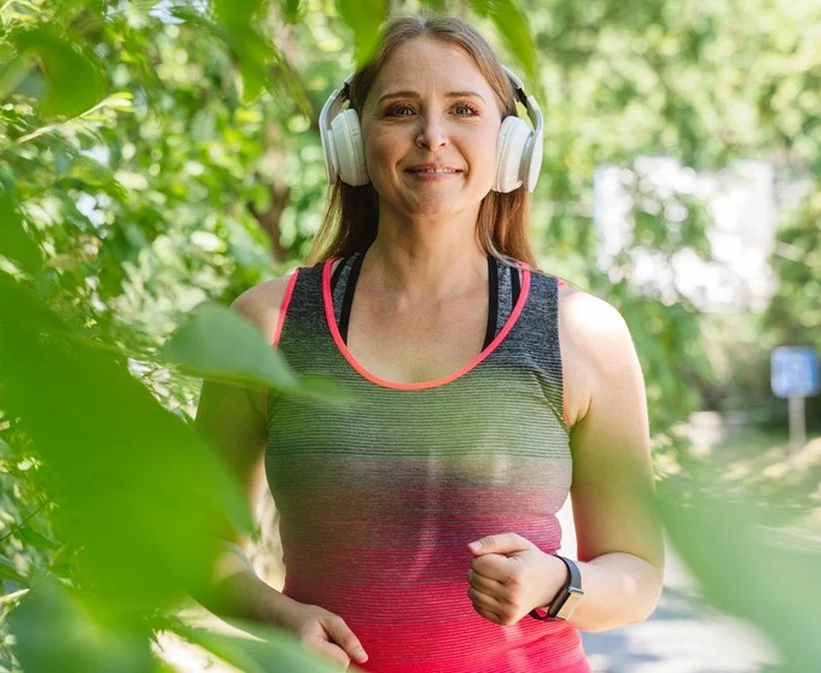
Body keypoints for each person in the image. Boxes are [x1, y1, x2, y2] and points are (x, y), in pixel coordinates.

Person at [194, 12, 664, 673]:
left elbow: (637, 573)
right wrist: (278, 616)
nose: (432, 137)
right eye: (401, 110)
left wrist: (556, 581)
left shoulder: (584, 332)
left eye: (463, 110)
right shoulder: (262, 326)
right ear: (352, 143)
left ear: (508, 147)